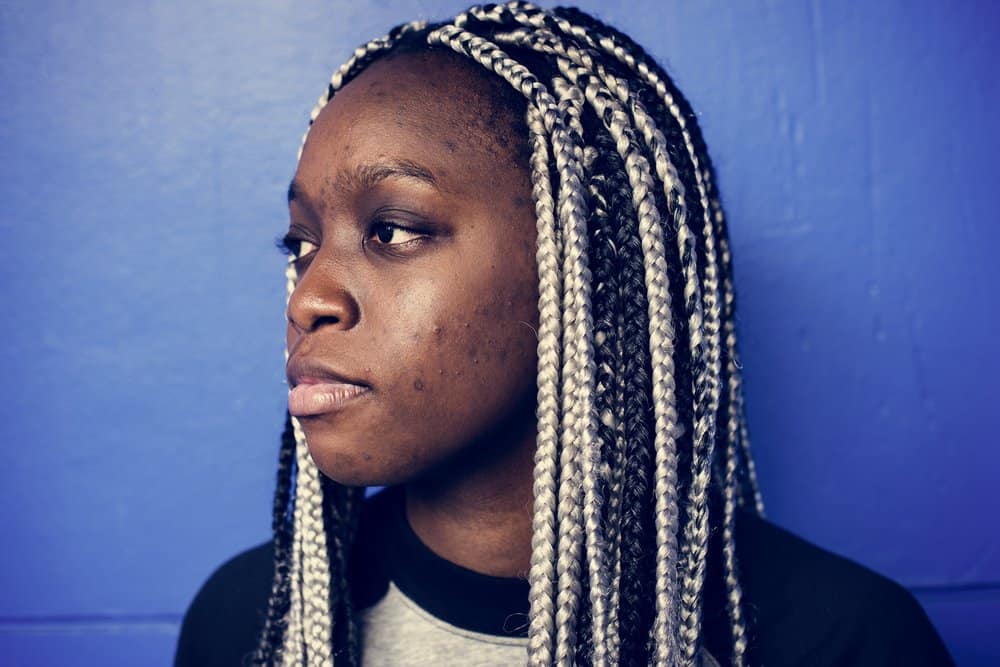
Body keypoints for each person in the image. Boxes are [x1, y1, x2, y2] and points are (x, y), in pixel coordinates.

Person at [174, 3, 954, 665]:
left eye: (394, 229)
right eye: (299, 244)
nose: (308, 296)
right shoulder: (247, 621)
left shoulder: (840, 638)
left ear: (584, 263)